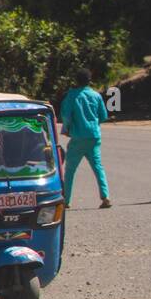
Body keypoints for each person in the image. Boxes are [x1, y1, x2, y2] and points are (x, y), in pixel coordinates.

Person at [60, 67, 111, 208]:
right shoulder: (96, 95)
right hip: (94, 136)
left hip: (78, 137)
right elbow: (103, 116)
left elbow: (66, 115)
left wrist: (67, 128)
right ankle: (105, 196)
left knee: (70, 170)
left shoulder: (71, 96)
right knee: (98, 167)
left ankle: (66, 200)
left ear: (76, 80)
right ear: (90, 80)